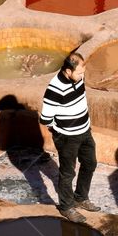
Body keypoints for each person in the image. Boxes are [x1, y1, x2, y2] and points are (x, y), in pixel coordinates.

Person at [40, 52, 99, 223]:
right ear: (67, 71)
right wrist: (60, 131)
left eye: (83, 72)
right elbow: (45, 119)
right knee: (67, 173)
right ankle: (66, 207)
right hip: (67, 137)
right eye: (80, 73)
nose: (82, 76)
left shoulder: (78, 78)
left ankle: (81, 197)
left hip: (85, 131)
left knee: (90, 163)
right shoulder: (54, 89)